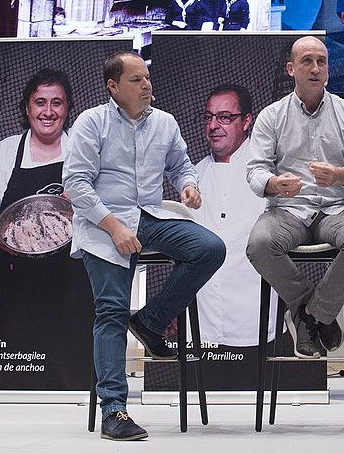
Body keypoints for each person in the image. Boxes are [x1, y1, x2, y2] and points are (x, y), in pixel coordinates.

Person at [63, 52, 226, 441]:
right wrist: (114, 227)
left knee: (210, 248)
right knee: (112, 309)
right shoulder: (92, 122)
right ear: (113, 87)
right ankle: (114, 410)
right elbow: (76, 186)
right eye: (136, 80)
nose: (147, 85)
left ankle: (151, 321)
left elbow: (181, 165)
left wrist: (189, 185)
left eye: (147, 78)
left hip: (150, 214)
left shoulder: (165, 122)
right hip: (103, 220)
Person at [245, 36, 344, 358]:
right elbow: (254, 170)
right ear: (291, 68)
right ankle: (312, 307)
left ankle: (311, 316)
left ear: (328, 71)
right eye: (307, 61)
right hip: (287, 210)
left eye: (321, 61)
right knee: (259, 245)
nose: (315, 68)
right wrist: (274, 183)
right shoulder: (272, 115)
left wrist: (340, 175)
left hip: (338, 207)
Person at [0, 69, 93, 388]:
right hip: (9, 281)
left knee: (69, 376)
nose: (48, 111)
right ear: (27, 108)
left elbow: (112, 206)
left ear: (67, 108)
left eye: (57, 103)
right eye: (40, 102)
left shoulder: (86, 151)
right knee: (2, 383)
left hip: (68, 282)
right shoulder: (5, 152)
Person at [190, 84, 275, 345]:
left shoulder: (268, 171)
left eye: (225, 117)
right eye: (209, 117)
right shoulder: (194, 175)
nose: (214, 125)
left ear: (247, 121)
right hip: (202, 325)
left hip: (256, 321)